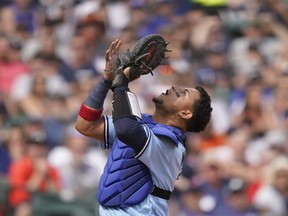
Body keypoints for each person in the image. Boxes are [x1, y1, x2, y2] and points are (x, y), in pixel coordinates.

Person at [75, 37, 213, 216]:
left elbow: (126, 130)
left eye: (183, 93)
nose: (174, 88)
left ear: (185, 114)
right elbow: (85, 126)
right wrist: (106, 81)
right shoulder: (142, 124)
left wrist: (122, 81)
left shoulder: (171, 144)